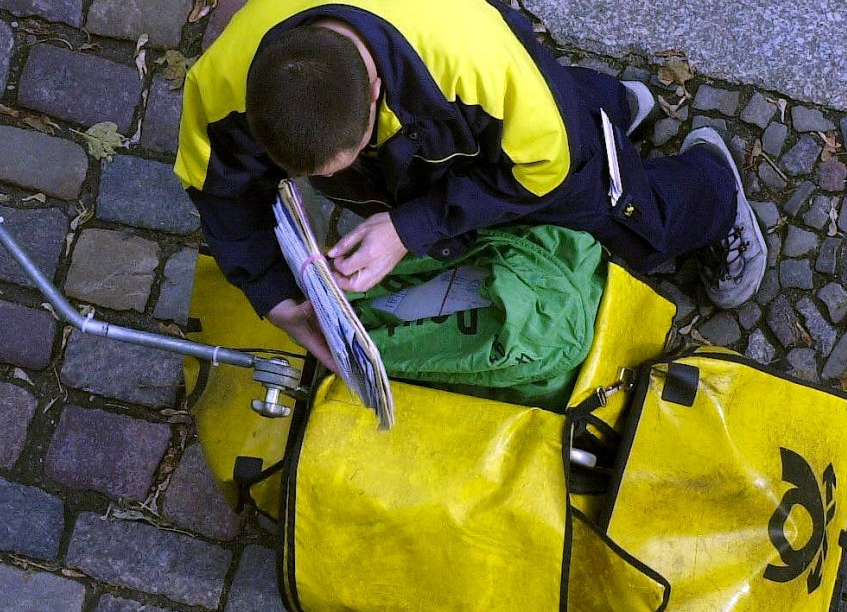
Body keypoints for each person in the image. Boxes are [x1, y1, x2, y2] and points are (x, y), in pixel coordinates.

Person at [174, 0, 765, 372]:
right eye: (315, 178)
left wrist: (409, 228)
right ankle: (608, 102)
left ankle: (712, 189)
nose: (332, 185)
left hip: (522, 125)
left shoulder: (474, 58)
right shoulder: (220, 86)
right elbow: (224, 197)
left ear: (375, 93)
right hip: (470, 123)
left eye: (344, 162)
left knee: (620, 210)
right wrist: (281, 303)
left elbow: (550, 167)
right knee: (534, 120)